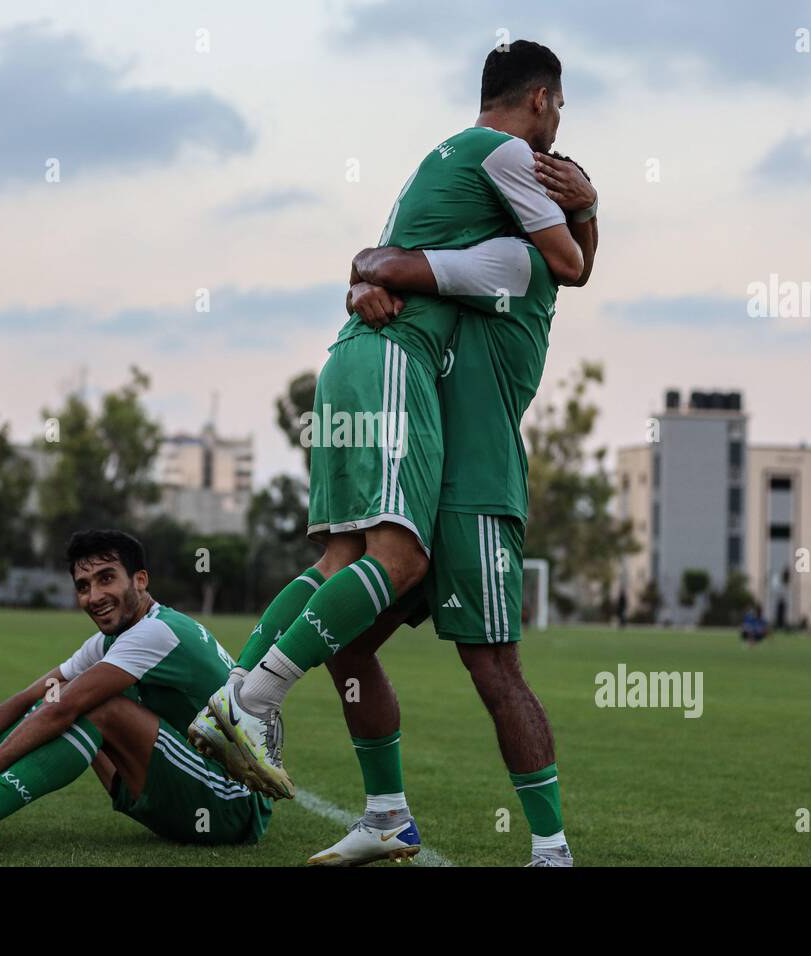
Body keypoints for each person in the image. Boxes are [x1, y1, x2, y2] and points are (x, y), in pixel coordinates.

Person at [189, 40, 595, 815]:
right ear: (540, 100)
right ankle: (254, 701)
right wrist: (584, 202)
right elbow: (570, 263)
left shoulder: (447, 179)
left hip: (352, 365)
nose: (553, 148)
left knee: (344, 567)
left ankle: (247, 704)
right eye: (559, 112)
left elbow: (394, 261)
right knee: (402, 567)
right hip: (391, 373)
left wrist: (362, 274)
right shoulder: (507, 165)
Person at [0, 529, 270, 854]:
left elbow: (67, 709)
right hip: (177, 789)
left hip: (230, 805)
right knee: (58, 696)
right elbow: (29, 699)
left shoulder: (157, 632)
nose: (95, 595)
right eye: (84, 586)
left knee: (93, 706)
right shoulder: (114, 639)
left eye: (106, 579)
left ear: (140, 579)